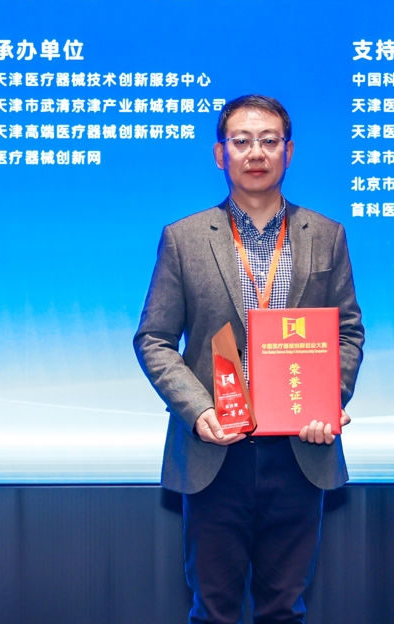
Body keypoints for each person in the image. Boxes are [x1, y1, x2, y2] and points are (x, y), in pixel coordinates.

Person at [134, 94, 365, 624]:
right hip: (216, 451)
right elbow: (154, 339)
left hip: (299, 451)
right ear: (221, 154)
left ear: (288, 151)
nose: (255, 152)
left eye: (268, 140)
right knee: (213, 610)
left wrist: (328, 398)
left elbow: (348, 331)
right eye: (241, 141)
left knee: (284, 610)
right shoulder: (184, 238)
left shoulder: (326, 235)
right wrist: (198, 411)